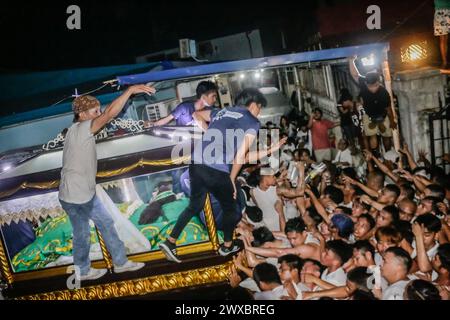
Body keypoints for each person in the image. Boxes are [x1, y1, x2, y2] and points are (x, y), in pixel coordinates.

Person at [159, 88, 285, 263]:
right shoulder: (252, 122)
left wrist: (210, 133)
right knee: (233, 209)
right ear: (254, 104)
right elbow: (241, 157)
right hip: (216, 170)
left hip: (197, 164)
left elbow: (196, 114)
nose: (259, 112)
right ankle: (227, 246)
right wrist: (232, 180)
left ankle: (170, 242)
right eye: (260, 108)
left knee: (194, 206)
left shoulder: (222, 111)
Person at [58, 85, 154, 280]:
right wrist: (130, 91)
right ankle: (86, 270)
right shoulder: (82, 128)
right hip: (76, 195)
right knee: (84, 233)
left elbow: (107, 111)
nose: (99, 114)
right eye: (95, 111)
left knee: (104, 223)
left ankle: (118, 263)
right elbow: (110, 113)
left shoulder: (76, 130)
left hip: (80, 192)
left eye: (99, 110)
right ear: (83, 114)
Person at [349, 56, 396, 154]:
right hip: (369, 116)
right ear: (366, 83)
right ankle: (375, 154)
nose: (372, 89)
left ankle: (388, 154)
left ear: (378, 83)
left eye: (375, 86)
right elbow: (355, 75)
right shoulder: (364, 84)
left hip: (383, 115)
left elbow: (388, 109)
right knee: (373, 139)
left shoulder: (384, 93)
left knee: (386, 137)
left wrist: (392, 121)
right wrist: (351, 60)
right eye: (370, 86)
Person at [149, 80, 217, 127]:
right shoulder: (184, 108)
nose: (215, 99)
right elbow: (167, 119)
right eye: (213, 96)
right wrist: (153, 125)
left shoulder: (210, 110)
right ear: (204, 97)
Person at [435, 0, 450, 69]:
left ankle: (445, 61)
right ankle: (444, 61)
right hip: (440, 12)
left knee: (446, 39)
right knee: (443, 39)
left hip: (448, 11)